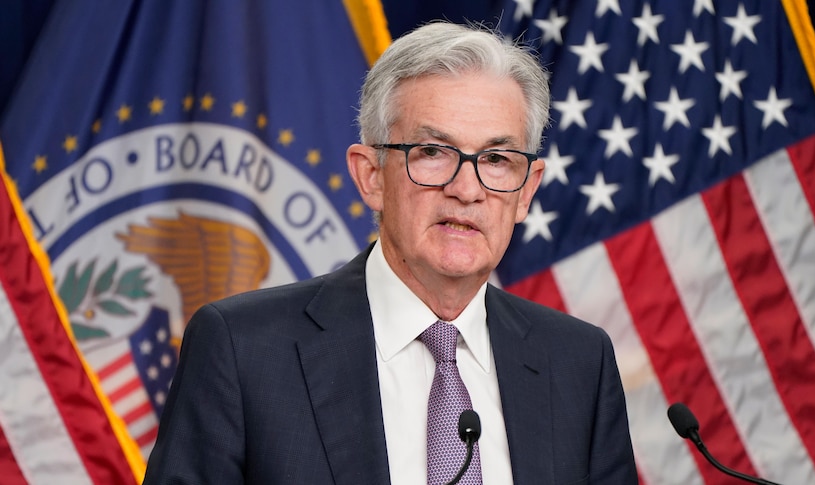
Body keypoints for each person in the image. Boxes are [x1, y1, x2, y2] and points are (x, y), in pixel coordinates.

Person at [143, 21, 638, 484]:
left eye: (496, 159)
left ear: (526, 191)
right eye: (432, 151)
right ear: (371, 176)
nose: (467, 189)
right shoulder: (242, 350)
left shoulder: (579, 363)